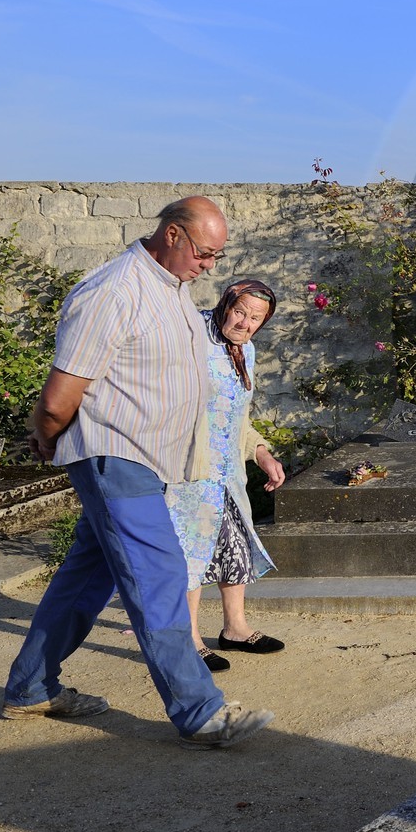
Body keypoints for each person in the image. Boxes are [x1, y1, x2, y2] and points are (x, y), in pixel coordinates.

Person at [1, 196, 273, 749]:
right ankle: (202, 713)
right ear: (172, 234)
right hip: (115, 455)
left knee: (87, 576)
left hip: (148, 461)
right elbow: (59, 397)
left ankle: (31, 687)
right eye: (204, 252)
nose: (210, 266)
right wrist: (49, 438)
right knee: (160, 575)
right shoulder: (114, 290)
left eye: (217, 257)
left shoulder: (171, 287)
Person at [167, 278, 286, 672]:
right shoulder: (192, 336)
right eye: (240, 312)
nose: (245, 323)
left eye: (256, 318)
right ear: (226, 304)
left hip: (227, 474)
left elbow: (238, 418)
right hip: (189, 472)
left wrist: (262, 454)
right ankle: (189, 640)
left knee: (234, 545)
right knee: (191, 554)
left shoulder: (245, 350)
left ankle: (234, 629)